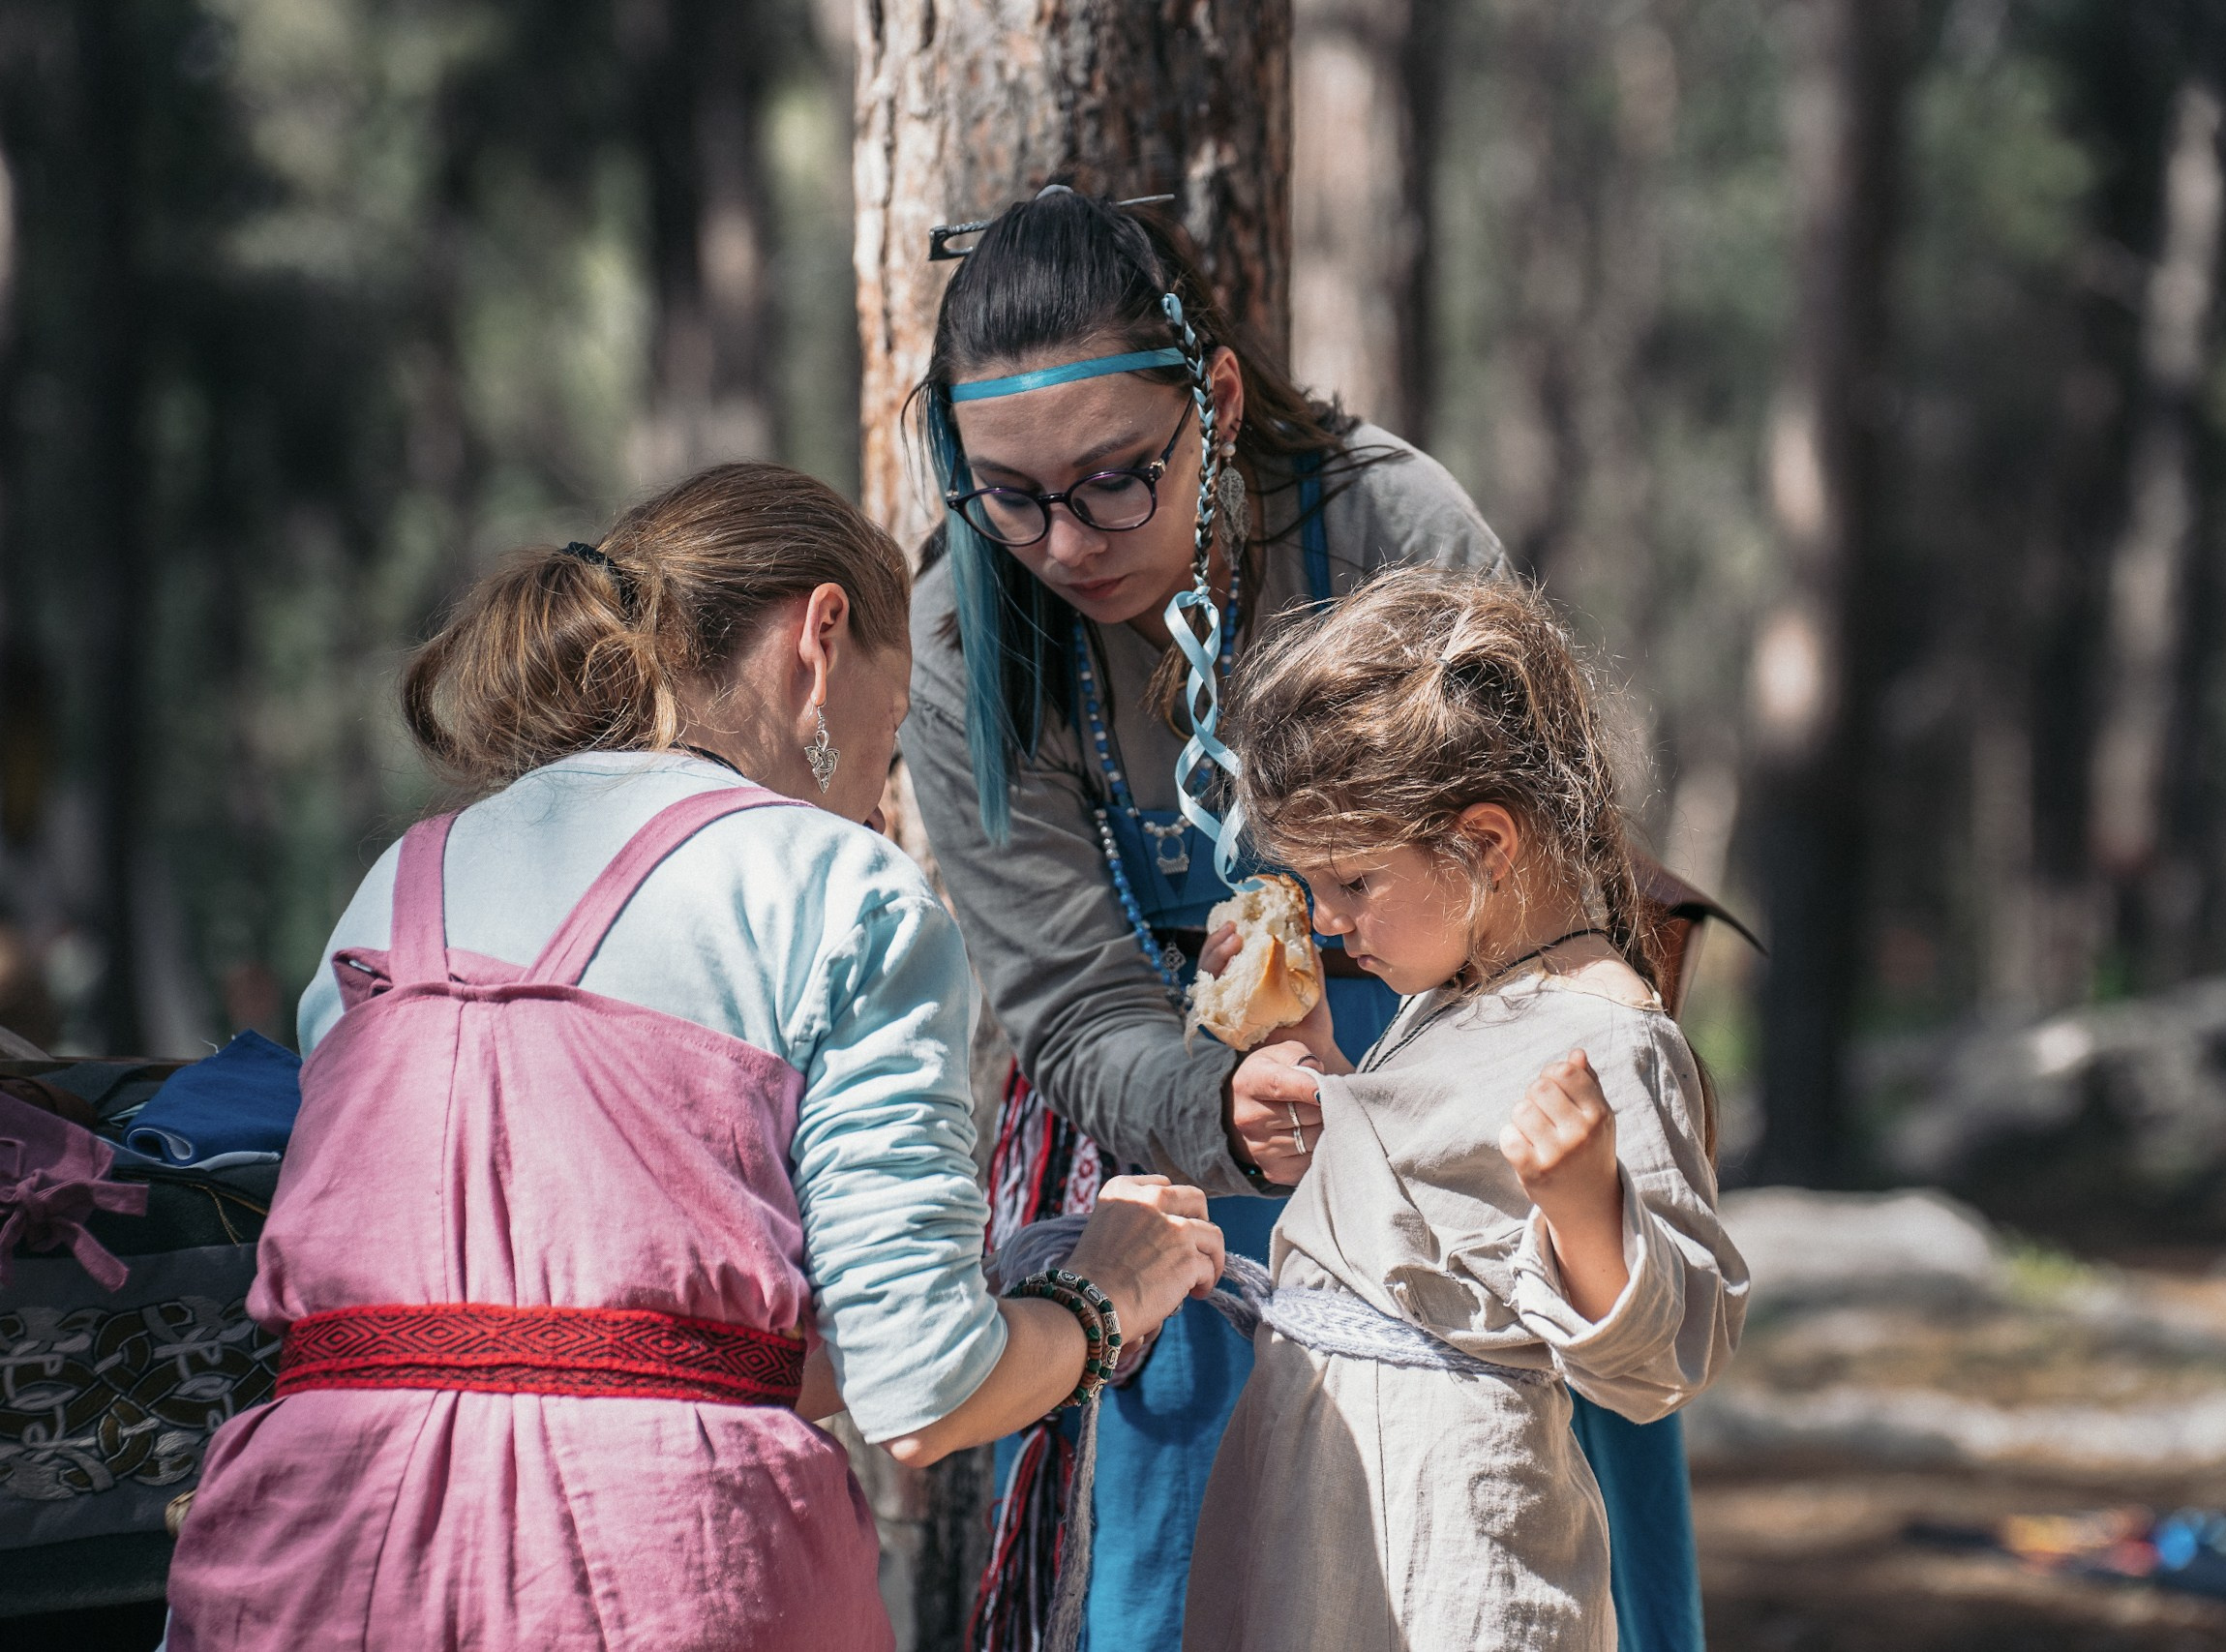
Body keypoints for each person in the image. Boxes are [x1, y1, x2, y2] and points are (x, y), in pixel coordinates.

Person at [164, 463, 1224, 1651]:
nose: (882, 794)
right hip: (659, 1575)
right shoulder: (837, 885)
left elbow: (594, 1346)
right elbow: (925, 1394)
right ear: (822, 635)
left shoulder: (393, 888)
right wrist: (1104, 1294)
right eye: (891, 727)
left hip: (311, 1556)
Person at [899, 184, 1711, 1651]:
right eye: (1006, 494)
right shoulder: (965, 637)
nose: (1064, 544)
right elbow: (1072, 1001)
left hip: (1475, 1141)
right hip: (1186, 1157)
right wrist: (1215, 1105)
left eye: (1113, 480)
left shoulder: (1388, 521)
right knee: (1210, 1562)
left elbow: (1540, 864)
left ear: (1214, 400)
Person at [1185, 567, 1749, 1651]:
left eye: (1354, 882)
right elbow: (1416, 1205)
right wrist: (1313, 1057)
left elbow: (1661, 1362)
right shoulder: (1457, 987)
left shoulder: (1608, 1037)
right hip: (1324, 1491)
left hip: (1446, 1527)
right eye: (1314, 888)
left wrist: (1587, 1209)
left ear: (1485, 843)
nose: (1330, 923)